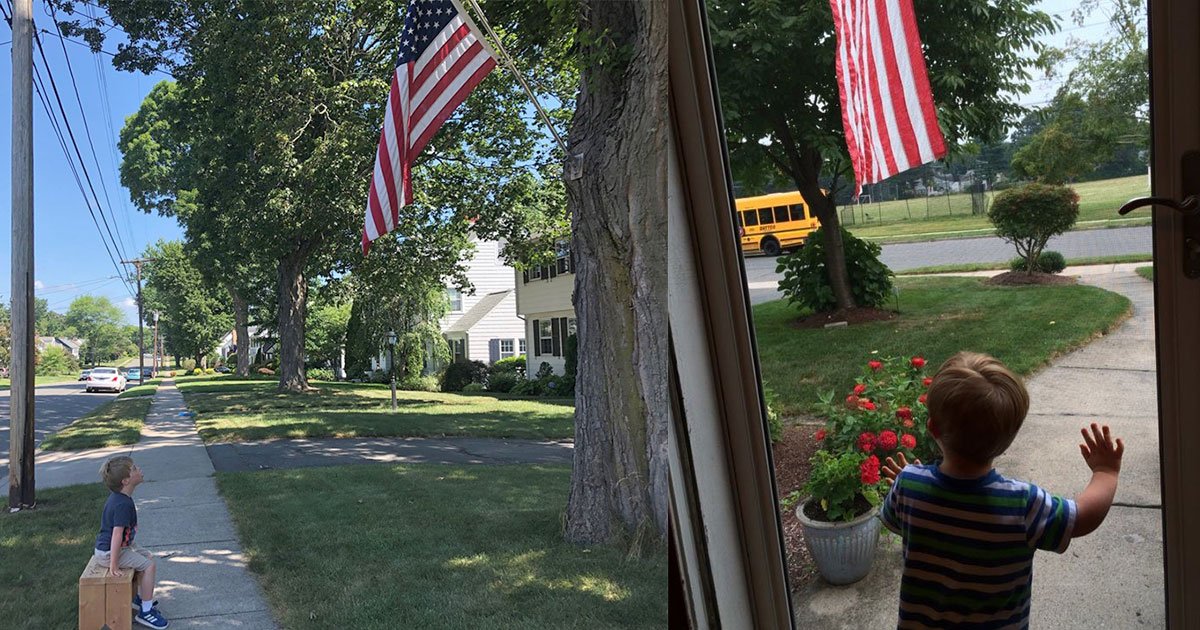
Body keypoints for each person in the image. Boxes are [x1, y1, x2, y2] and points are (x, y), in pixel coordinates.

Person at [880, 351, 1124, 629]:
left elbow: (899, 522)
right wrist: (1106, 474)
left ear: (933, 428)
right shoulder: (1023, 504)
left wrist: (914, 482)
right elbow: (1080, 519)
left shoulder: (909, 484)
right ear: (1008, 440)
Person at [95, 456, 170, 629]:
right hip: (110, 553)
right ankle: (146, 612)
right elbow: (116, 535)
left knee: (149, 557)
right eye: (135, 469)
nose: (140, 470)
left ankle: (142, 597)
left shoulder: (121, 498)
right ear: (126, 480)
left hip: (120, 547)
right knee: (149, 566)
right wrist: (113, 565)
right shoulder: (122, 504)